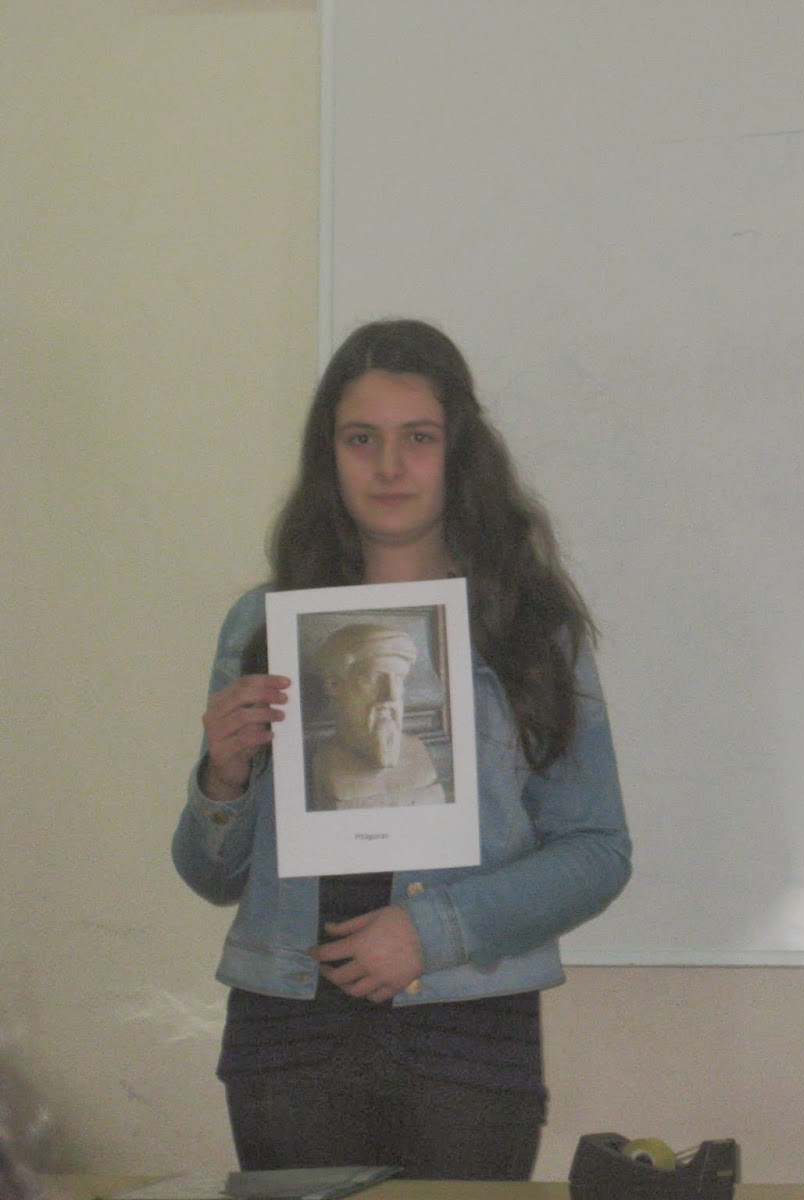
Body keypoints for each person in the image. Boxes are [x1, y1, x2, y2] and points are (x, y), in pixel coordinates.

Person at [173, 318, 631, 1179]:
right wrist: (222, 778)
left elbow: (598, 850)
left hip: (467, 1036)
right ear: (329, 456)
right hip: (287, 1036)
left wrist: (432, 931)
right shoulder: (261, 623)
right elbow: (210, 875)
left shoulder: (527, 628)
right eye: (361, 439)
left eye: (418, 438)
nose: (389, 466)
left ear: (459, 453)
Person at [309, 622, 446, 812]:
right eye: (373, 678)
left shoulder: (418, 751)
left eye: (399, 678)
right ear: (334, 685)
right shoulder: (326, 762)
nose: (391, 695)